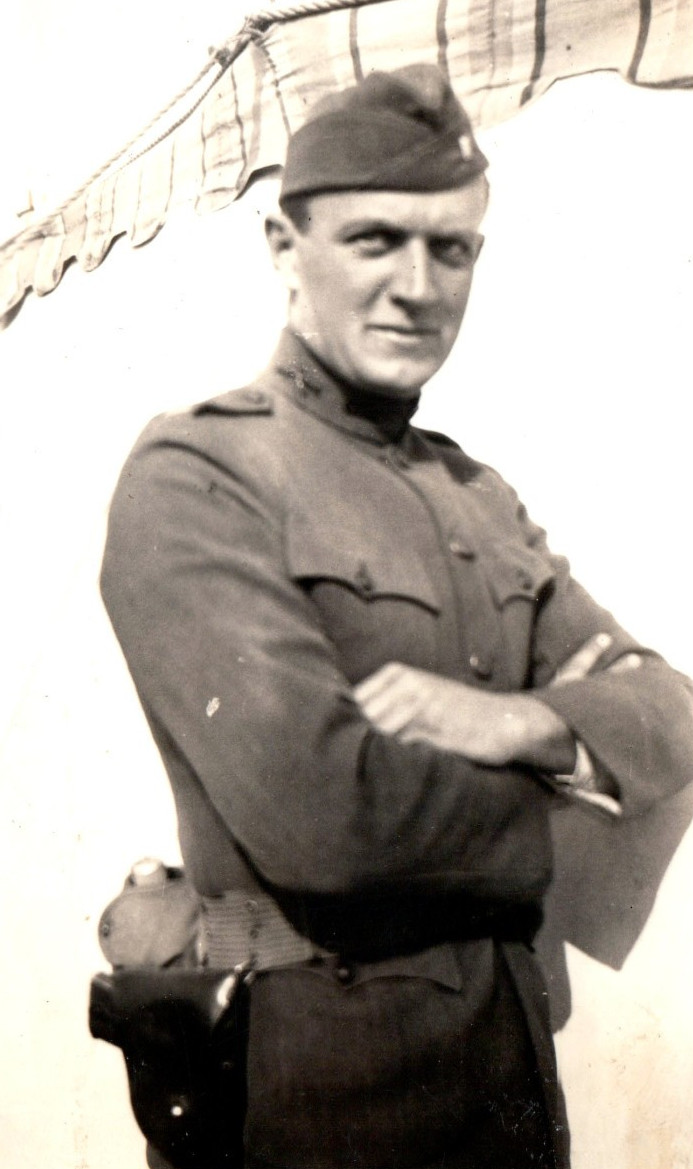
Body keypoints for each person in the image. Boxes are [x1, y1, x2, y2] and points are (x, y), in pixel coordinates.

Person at [100, 64, 693, 1169]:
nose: (418, 286)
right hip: (320, 1093)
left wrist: (521, 722)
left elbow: (671, 707)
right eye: (376, 240)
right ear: (285, 248)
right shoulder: (200, 475)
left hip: (511, 1087)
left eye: (451, 248)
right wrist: (571, 802)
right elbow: (327, 817)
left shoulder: (476, 495)